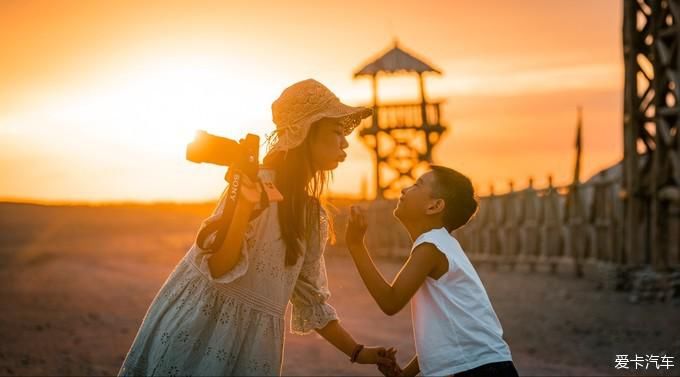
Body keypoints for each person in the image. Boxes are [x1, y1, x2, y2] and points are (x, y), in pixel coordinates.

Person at [119, 79, 395, 376]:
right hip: (201, 327)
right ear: (304, 134)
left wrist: (358, 352)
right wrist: (243, 209)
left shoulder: (311, 215)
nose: (345, 142)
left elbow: (311, 299)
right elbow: (219, 265)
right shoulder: (257, 182)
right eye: (336, 132)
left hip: (253, 346)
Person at [346, 166, 517, 377]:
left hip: (478, 369)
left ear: (434, 206)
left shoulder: (431, 248)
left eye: (417, 185)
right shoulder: (443, 244)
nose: (404, 189)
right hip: (486, 366)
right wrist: (405, 374)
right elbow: (448, 331)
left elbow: (390, 302)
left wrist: (356, 246)